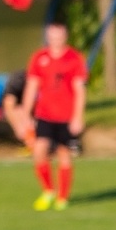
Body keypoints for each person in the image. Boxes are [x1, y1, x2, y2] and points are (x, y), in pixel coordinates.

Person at [21, 21, 87, 211]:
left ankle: (62, 197)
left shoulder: (74, 58)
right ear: (47, 37)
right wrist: (26, 112)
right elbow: (32, 86)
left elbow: (79, 90)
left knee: (64, 153)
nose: (55, 40)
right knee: (39, 151)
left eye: (58, 36)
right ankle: (49, 190)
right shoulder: (39, 57)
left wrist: (78, 116)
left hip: (66, 116)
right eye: (52, 36)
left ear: (65, 36)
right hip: (44, 114)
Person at [0, 69, 34, 151]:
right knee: (19, 111)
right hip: (22, 111)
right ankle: (32, 145)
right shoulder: (19, 78)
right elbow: (8, 104)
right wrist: (18, 126)